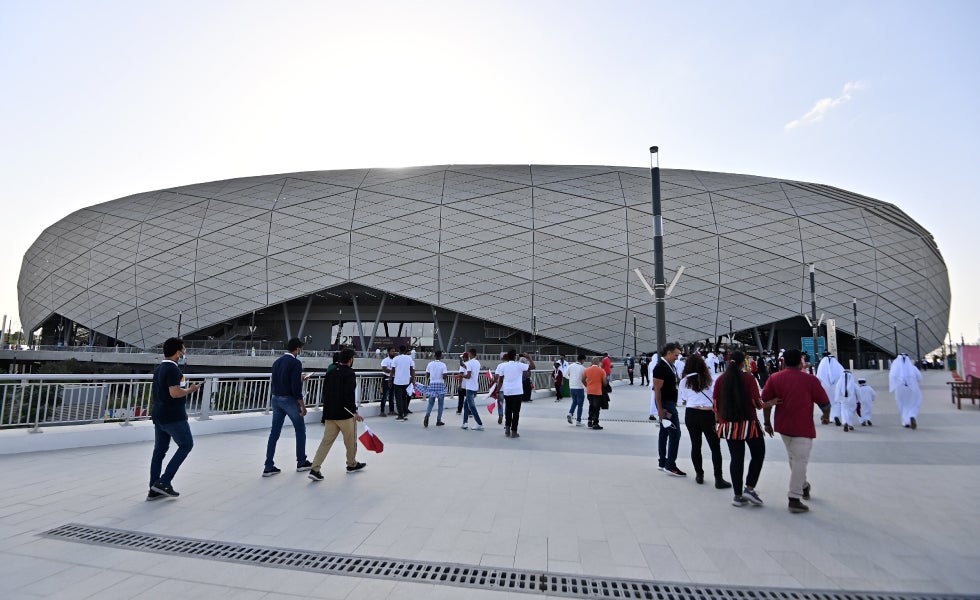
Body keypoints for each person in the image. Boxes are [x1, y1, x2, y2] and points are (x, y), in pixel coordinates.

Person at [760, 348, 831, 513]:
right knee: (799, 460)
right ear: (801, 362)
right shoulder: (810, 380)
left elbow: (765, 402)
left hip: (783, 427)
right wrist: (826, 416)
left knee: (794, 459)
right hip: (802, 427)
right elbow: (825, 404)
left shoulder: (774, 378)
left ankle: (803, 485)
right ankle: (794, 497)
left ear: (783, 361)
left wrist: (767, 422)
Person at [148, 337, 201, 500]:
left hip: (159, 415)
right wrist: (191, 390)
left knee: (159, 451)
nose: (184, 353)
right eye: (184, 350)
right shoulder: (173, 370)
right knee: (186, 445)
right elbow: (175, 392)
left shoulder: (159, 368)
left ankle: (153, 489)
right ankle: (164, 482)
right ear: (178, 353)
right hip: (174, 416)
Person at [713, 350, 767, 506]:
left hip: (729, 425)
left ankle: (737, 496)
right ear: (744, 363)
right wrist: (768, 404)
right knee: (758, 454)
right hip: (749, 424)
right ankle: (749, 488)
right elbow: (757, 403)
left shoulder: (721, 379)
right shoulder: (749, 379)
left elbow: (715, 404)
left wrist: (719, 421)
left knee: (736, 459)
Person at [308, 349, 366, 481]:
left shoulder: (331, 372)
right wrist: (355, 412)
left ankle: (315, 468)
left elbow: (326, 393)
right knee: (350, 442)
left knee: (326, 442)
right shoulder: (350, 374)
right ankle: (351, 464)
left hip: (330, 414)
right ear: (350, 360)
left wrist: (325, 414)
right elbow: (349, 395)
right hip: (345, 415)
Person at [679, 354, 731, 489]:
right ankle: (718, 479)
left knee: (695, 445)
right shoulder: (709, 379)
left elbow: (684, 398)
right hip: (707, 414)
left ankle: (699, 474)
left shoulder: (684, 381)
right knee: (715, 447)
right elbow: (716, 397)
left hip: (691, 414)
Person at [264, 337, 312, 477]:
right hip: (288, 400)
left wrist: (299, 377)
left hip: (275, 399)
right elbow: (295, 388)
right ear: (297, 349)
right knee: (300, 429)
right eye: (301, 349)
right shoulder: (296, 363)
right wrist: (302, 406)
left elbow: (281, 379)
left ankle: (268, 466)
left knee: (274, 433)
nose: (301, 351)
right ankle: (301, 461)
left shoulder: (277, 362)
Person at [653, 343, 684, 475]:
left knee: (664, 432)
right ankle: (670, 465)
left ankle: (662, 462)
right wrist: (660, 408)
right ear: (669, 352)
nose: (677, 358)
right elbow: (657, 390)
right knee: (675, 433)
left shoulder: (669, 366)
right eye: (676, 355)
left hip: (669, 403)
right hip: (666, 405)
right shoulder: (660, 367)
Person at [497, 350, 535, 437]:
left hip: (507, 391)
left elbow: (501, 380)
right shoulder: (519, 365)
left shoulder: (503, 366)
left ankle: (507, 428)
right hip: (517, 391)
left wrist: (497, 391)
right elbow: (533, 366)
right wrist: (529, 358)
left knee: (508, 410)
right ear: (515, 356)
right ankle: (514, 431)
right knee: (516, 412)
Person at [889, 353, 922, 429]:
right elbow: (920, 377)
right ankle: (912, 416)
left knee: (903, 405)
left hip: (900, 390)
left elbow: (892, 379)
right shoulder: (913, 368)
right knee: (914, 403)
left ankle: (906, 421)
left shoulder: (895, 369)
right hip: (913, 389)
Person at [816, 353, 844, 426]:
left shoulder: (822, 365)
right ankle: (835, 416)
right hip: (835, 387)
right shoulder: (837, 365)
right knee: (836, 402)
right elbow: (844, 375)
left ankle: (828, 418)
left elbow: (818, 377)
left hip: (825, 387)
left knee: (828, 403)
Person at [460, 348, 485, 430]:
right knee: (466, 405)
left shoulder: (470, 363)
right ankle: (465, 423)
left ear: (471, 354)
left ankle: (479, 423)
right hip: (475, 387)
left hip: (470, 388)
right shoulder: (477, 362)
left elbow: (468, 376)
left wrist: (461, 376)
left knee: (471, 406)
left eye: (469, 353)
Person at [390, 345, 415, 421]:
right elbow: (412, 369)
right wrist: (412, 379)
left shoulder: (396, 359)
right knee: (404, 398)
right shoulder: (409, 358)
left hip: (398, 381)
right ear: (405, 350)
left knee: (398, 399)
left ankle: (400, 415)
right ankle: (405, 412)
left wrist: (390, 379)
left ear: (399, 350)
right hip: (406, 381)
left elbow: (393, 370)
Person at [423, 350, 448, 427]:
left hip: (432, 384)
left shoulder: (430, 364)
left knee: (431, 403)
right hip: (440, 385)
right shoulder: (443, 365)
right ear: (441, 356)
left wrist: (431, 379)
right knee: (440, 404)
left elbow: (427, 375)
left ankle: (427, 415)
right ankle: (438, 420)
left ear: (434, 356)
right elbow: (444, 376)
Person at [583, 357, 607, 430]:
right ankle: (595, 423)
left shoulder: (587, 370)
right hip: (597, 391)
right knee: (596, 408)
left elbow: (583, 379)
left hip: (589, 391)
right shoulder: (602, 371)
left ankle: (589, 421)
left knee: (591, 405)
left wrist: (587, 386)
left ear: (591, 362)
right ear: (598, 362)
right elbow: (605, 383)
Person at [566, 354, 587, 426]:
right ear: (582, 360)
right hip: (580, 388)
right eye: (584, 360)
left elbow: (565, 374)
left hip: (572, 387)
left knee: (574, 401)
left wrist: (571, 379)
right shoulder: (583, 368)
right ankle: (578, 421)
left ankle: (570, 413)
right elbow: (585, 379)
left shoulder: (570, 366)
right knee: (580, 405)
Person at [380, 347, 396, 417]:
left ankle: (391, 410)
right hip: (386, 379)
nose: (394, 353)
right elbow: (384, 369)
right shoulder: (385, 360)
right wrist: (392, 371)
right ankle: (382, 411)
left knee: (392, 396)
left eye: (394, 351)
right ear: (388, 352)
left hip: (394, 379)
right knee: (385, 395)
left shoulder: (395, 360)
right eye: (392, 351)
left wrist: (392, 372)